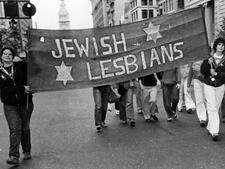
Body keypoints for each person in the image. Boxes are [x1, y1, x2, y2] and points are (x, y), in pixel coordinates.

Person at [0, 46, 34, 165]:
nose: (7, 56)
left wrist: (22, 59)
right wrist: (21, 88)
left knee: (25, 128)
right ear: (1, 56)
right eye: (5, 54)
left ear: (13, 56)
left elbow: (33, 66)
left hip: (25, 103)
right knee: (15, 128)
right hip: (10, 105)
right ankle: (13, 156)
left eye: (10, 54)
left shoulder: (20, 67)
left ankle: (27, 150)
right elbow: (4, 91)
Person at [200, 37, 225, 141]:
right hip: (209, 85)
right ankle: (215, 131)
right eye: (219, 44)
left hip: (220, 85)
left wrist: (217, 74)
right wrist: (207, 63)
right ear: (215, 46)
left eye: (223, 45)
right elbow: (203, 71)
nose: (221, 46)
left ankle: (210, 126)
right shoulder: (209, 58)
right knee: (212, 106)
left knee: (216, 107)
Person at [187, 60, 207, 127]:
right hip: (197, 80)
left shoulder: (207, 57)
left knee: (207, 100)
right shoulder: (194, 58)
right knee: (199, 100)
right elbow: (190, 72)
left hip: (207, 81)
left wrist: (200, 69)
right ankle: (202, 118)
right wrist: (188, 85)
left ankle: (210, 116)